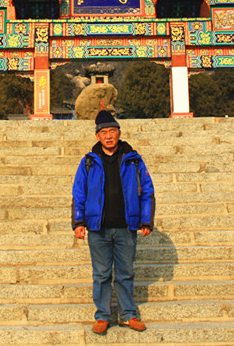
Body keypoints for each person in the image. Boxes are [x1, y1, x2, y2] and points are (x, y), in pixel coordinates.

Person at [71, 110, 155, 335]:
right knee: (101, 274)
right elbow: (79, 192)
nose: (108, 136)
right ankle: (103, 316)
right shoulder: (88, 162)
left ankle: (128, 314)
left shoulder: (134, 159)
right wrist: (79, 221)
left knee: (126, 272)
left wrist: (146, 220)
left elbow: (147, 190)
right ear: (97, 136)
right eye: (103, 132)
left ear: (119, 133)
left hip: (126, 226)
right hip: (98, 227)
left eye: (112, 131)